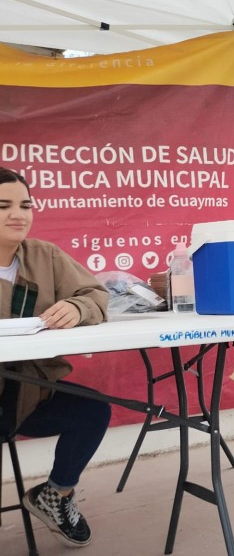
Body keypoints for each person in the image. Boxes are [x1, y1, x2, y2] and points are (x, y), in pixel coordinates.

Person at [0, 167, 110, 548]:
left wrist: (78, 308)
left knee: (92, 411)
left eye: (25, 205)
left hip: (30, 391)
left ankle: (57, 495)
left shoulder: (44, 255)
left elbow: (96, 295)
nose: (18, 214)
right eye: (4, 205)